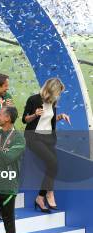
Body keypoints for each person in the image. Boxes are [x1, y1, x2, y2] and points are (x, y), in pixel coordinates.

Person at [22, 78, 70, 212]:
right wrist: (34, 115)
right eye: (58, 92)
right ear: (51, 90)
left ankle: (44, 195)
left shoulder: (53, 101)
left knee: (54, 165)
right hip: (34, 138)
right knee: (52, 163)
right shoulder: (34, 100)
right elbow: (24, 119)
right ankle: (45, 194)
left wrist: (60, 117)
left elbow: (49, 119)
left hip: (48, 138)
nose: (59, 96)